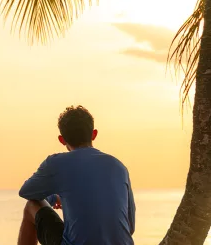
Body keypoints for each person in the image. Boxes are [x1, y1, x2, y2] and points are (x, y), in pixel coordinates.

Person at [17, 105, 136, 245]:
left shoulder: (56, 163)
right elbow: (130, 227)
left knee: (31, 205)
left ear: (62, 140)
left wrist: (52, 198)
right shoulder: (119, 167)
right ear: (94, 134)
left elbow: (26, 192)